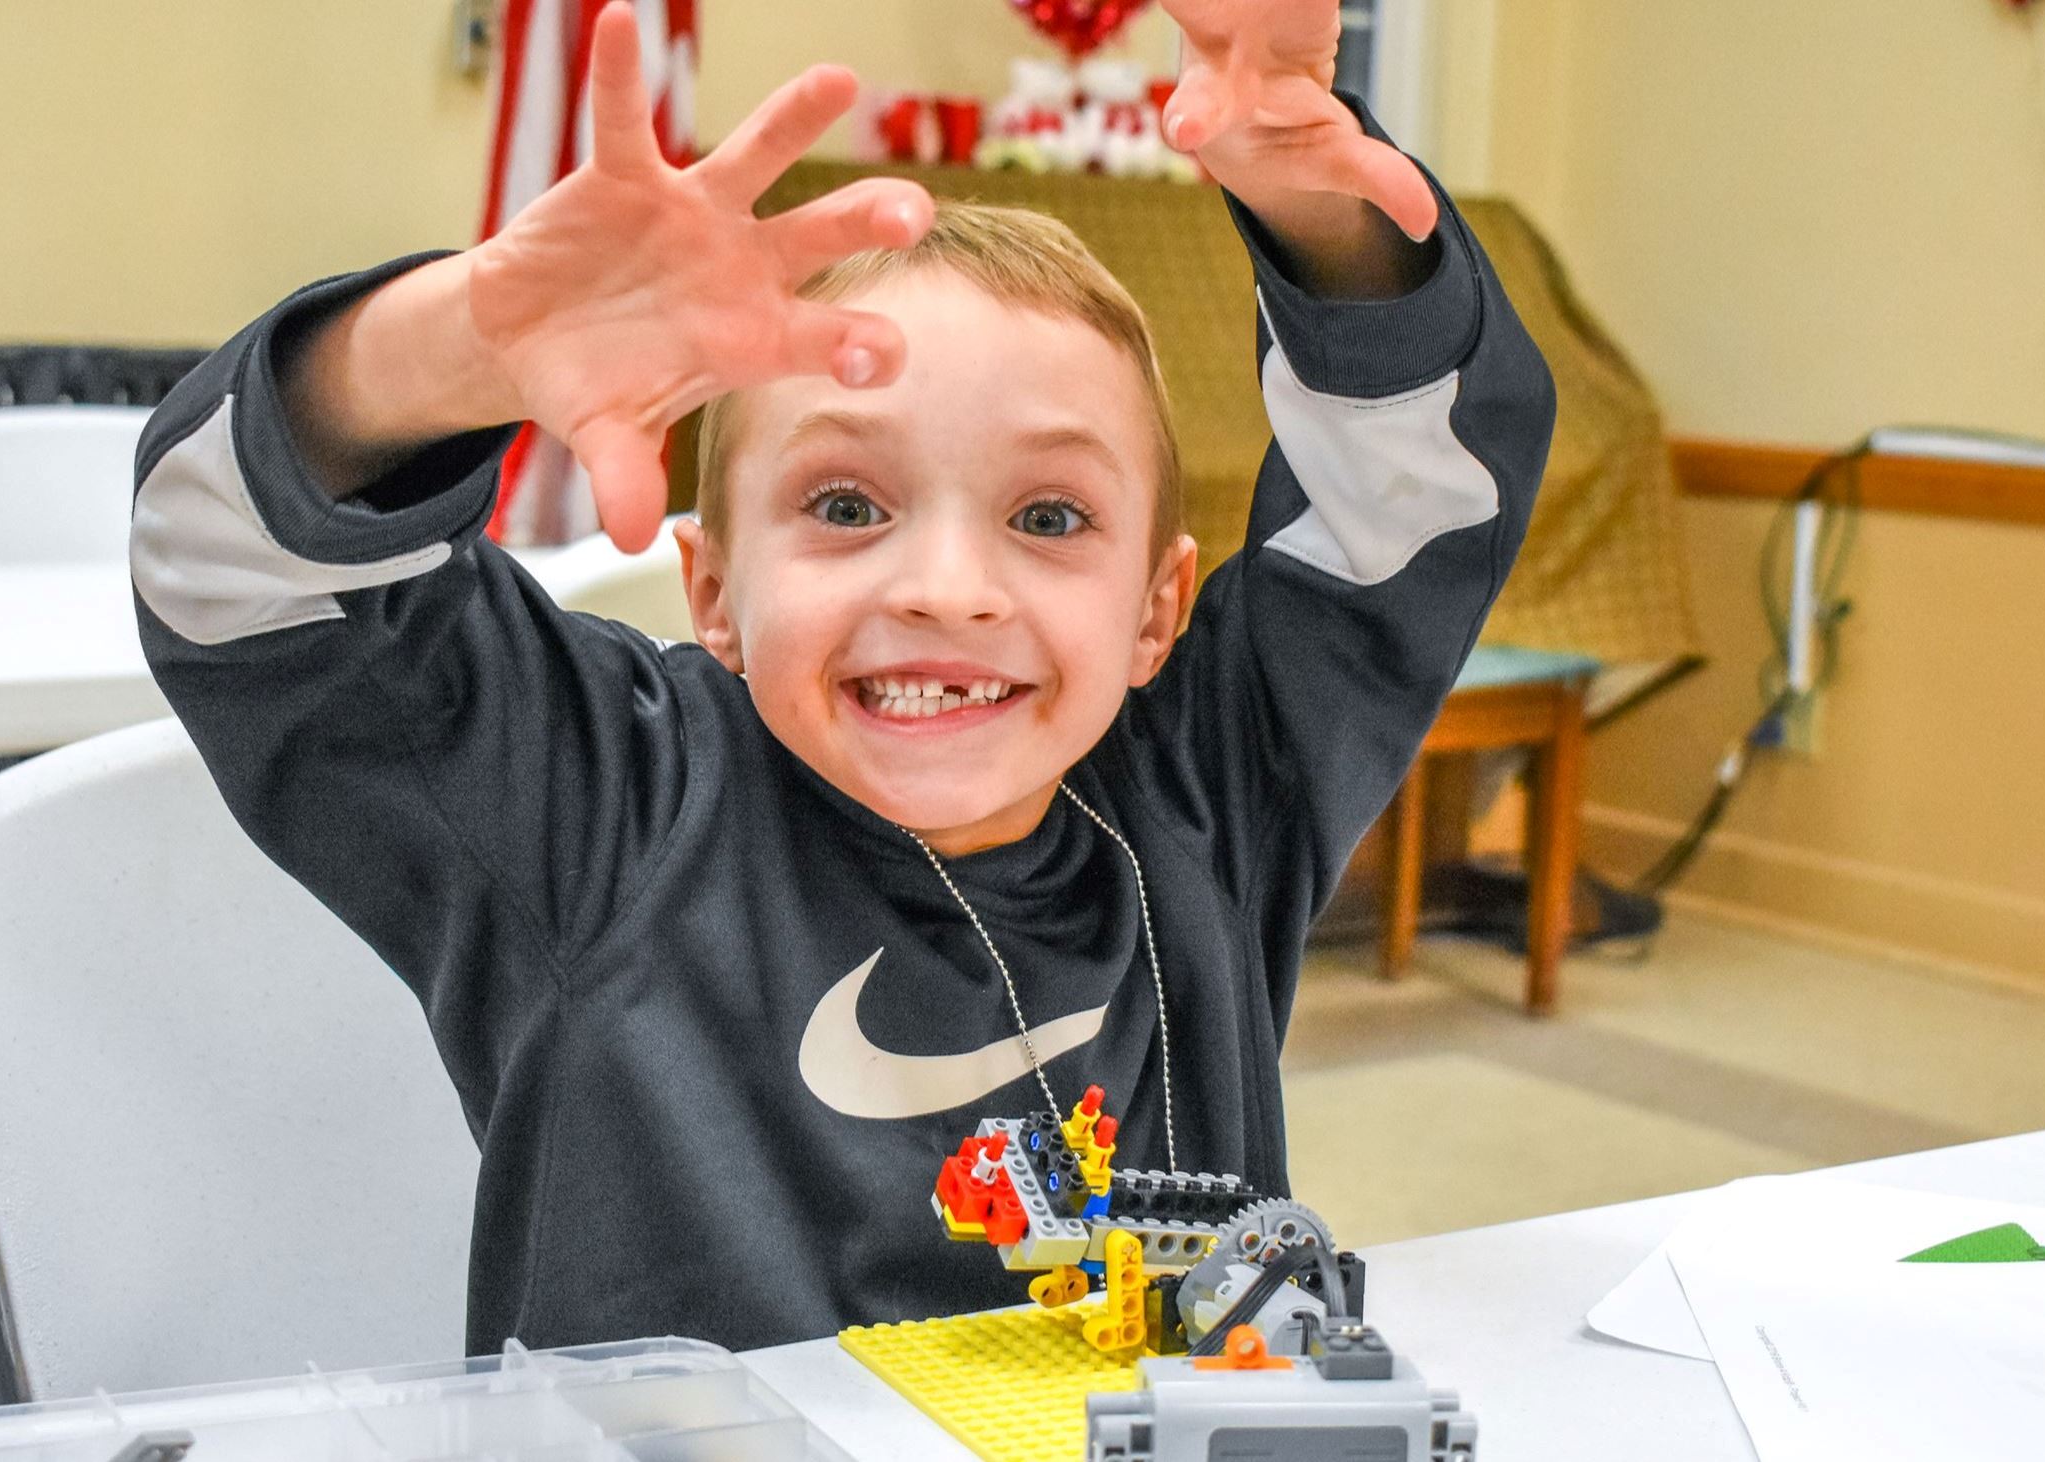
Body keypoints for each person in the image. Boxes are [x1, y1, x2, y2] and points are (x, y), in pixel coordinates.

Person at [131, 0, 1552, 1353]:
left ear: (1155, 610)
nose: (945, 584)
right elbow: (228, 573)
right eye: (847, 506)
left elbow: (1414, 497)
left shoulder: (1207, 798)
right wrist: (456, 347)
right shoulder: (608, 810)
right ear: (712, 592)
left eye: (1048, 518)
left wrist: (1316, 196)